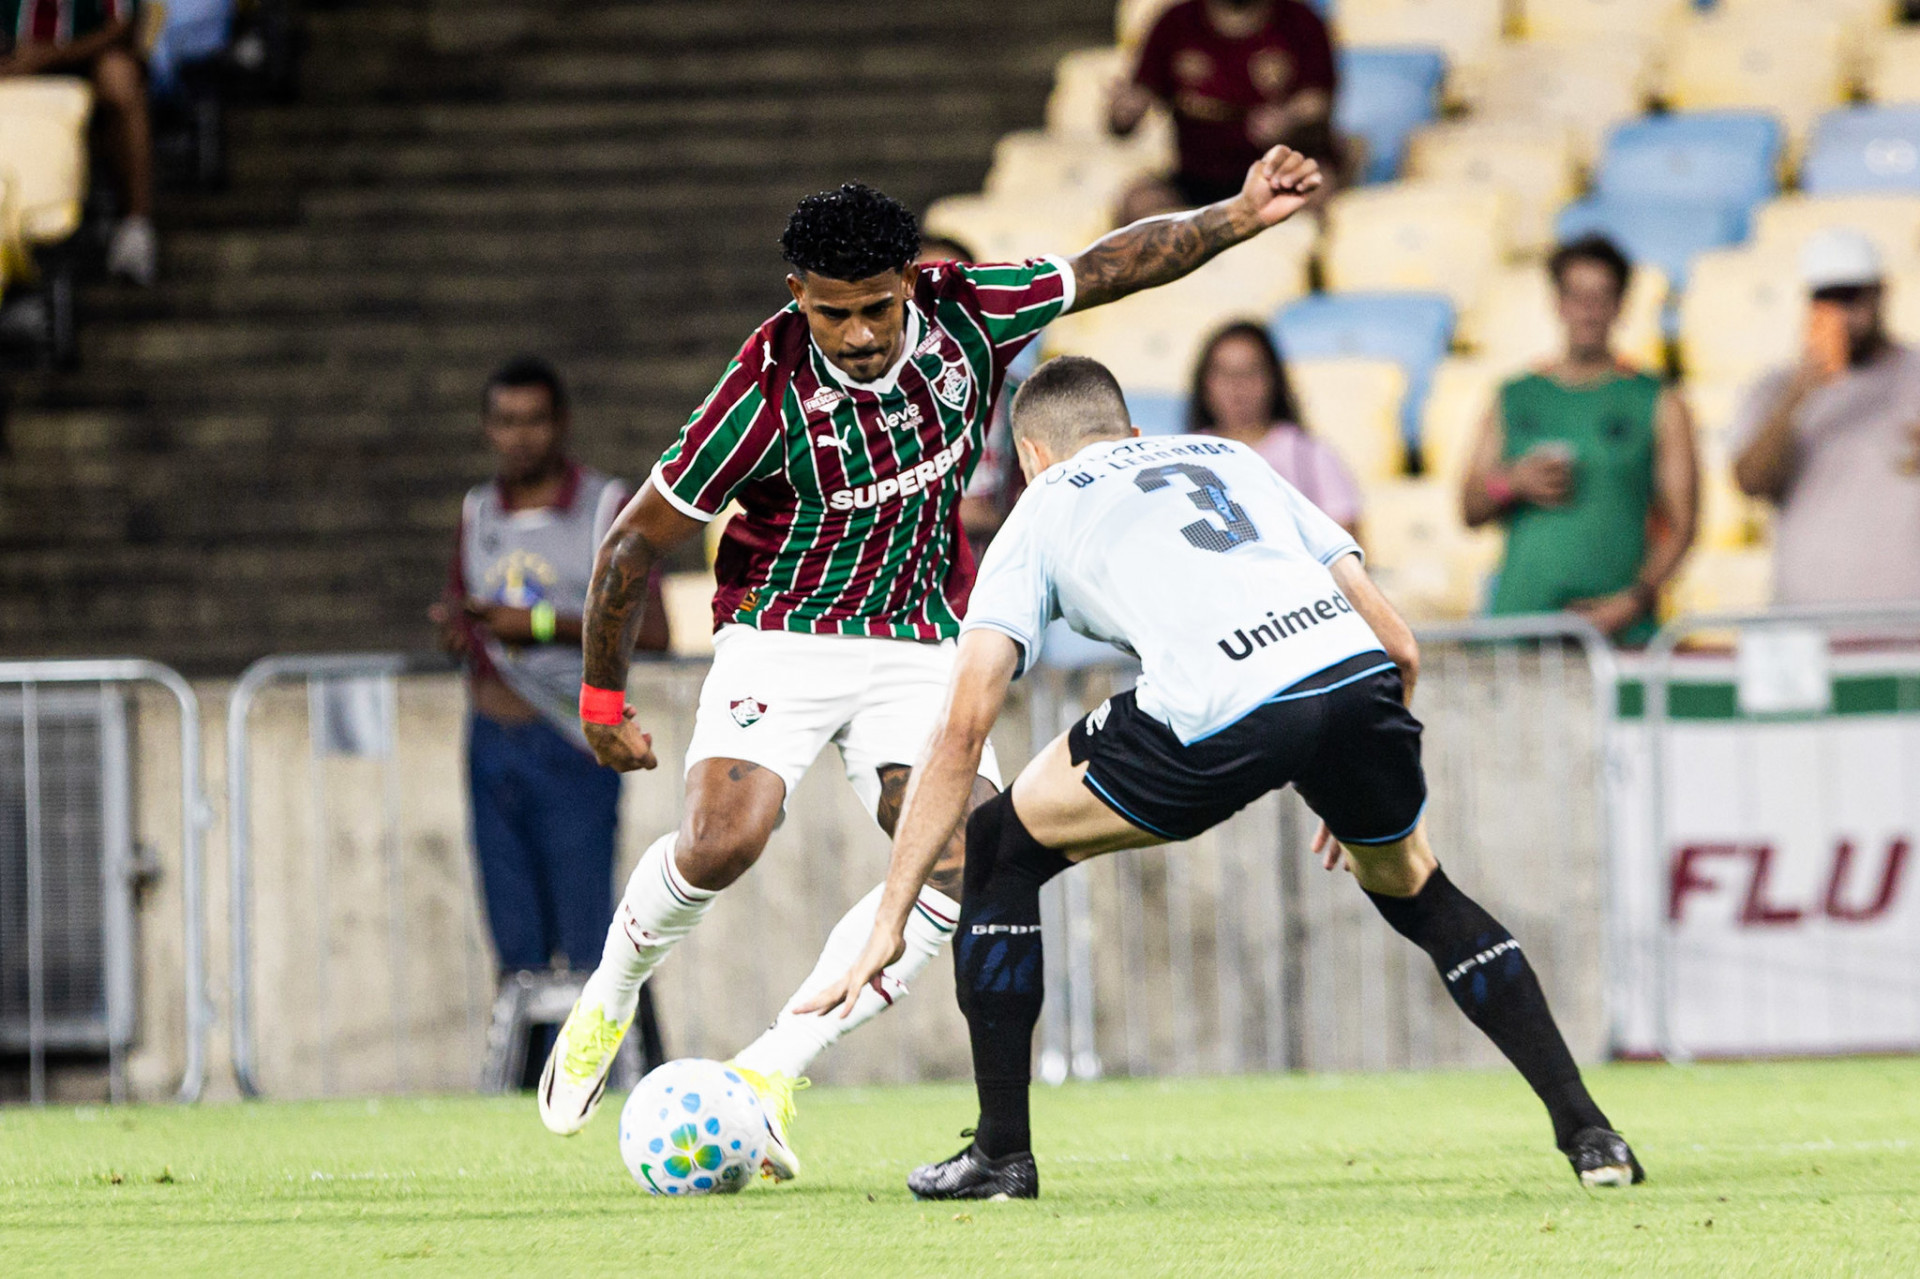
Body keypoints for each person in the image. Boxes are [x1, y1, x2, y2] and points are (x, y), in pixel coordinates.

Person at [541, 150, 1327, 1179]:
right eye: (835, 315)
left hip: (918, 636)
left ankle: (775, 1069)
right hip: (784, 628)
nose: (861, 336)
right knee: (726, 839)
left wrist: (1239, 213)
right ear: (798, 299)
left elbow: (1113, 264)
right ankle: (611, 991)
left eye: (877, 307)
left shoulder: (970, 313)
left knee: (971, 864)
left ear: (911, 280)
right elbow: (631, 543)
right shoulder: (759, 391)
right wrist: (602, 695)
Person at [800, 355, 1644, 1200]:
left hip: (1221, 706)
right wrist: (1350, 766)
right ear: (1133, 434)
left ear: (1029, 457)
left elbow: (960, 730)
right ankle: (1589, 1132)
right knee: (1418, 885)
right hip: (1357, 680)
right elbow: (1400, 644)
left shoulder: (1041, 506)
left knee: (993, 849)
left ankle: (1000, 1155)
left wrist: (891, 913)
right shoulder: (1231, 457)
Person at [431, 357, 669, 1076]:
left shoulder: (605, 505)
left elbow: (651, 629)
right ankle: (531, 1088)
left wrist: (532, 624)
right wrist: (461, 632)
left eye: (534, 419)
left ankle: (622, 1078)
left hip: (575, 739)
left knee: (590, 930)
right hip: (490, 740)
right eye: (505, 421)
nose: (520, 436)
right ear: (487, 428)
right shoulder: (477, 511)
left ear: (560, 423)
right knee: (515, 940)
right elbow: (468, 613)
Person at [1462, 235, 1698, 645]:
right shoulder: (1514, 396)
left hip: (1619, 631)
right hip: (1519, 625)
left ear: (1621, 305)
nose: (1588, 311)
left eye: (1601, 297)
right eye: (1577, 296)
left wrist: (1632, 601)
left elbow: (1683, 524)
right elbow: (1469, 508)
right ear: (1557, 302)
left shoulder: (1657, 400)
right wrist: (1511, 483)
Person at [1731, 227, 1920, 606]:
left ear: (1880, 294)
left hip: (1906, 624)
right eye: (1826, 298)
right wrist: (1797, 396)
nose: (1842, 312)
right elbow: (1750, 483)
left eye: (1851, 296)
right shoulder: (1776, 388)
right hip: (1807, 622)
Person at [1111, 0, 1338, 224]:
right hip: (1195, 178)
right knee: (1137, 202)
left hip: (1277, 178)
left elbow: (1317, 102)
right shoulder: (1174, 22)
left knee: (1317, 188)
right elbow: (1133, 107)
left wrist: (1289, 120)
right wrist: (1123, 113)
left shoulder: (1301, 20)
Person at [0, 0, 157, 284]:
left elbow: (123, 27)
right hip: (13, 61)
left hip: (84, 58)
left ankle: (135, 226)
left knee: (119, 77)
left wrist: (50, 55)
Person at [1190, 319, 1361, 536]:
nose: (1237, 387)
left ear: (1273, 380)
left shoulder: (1309, 454)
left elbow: (1348, 547)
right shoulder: (1185, 456)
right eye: (1224, 373)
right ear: (1204, 383)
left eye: (1250, 372)